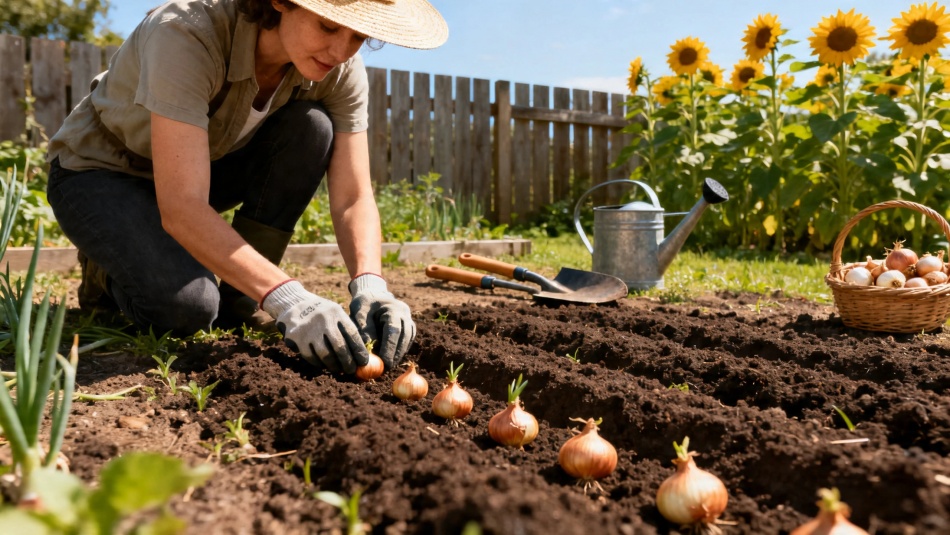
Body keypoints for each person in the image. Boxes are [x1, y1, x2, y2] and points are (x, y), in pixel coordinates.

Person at [45, 0, 448, 374]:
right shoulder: (186, 34)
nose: (341, 50)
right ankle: (104, 268)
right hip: (100, 174)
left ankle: (242, 299)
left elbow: (354, 196)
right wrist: (290, 298)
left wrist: (372, 285)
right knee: (188, 310)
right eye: (328, 26)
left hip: (200, 172)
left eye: (359, 36)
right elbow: (182, 206)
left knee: (311, 127)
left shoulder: (339, 69)